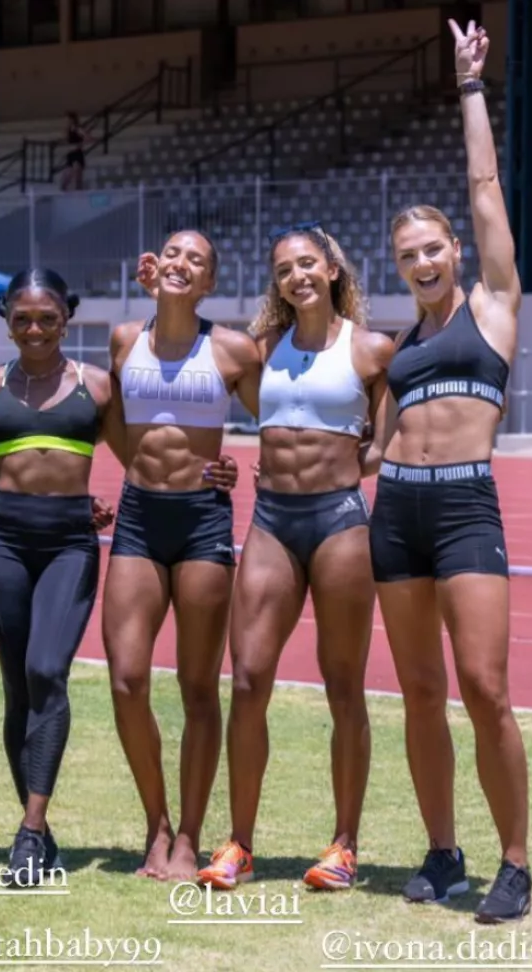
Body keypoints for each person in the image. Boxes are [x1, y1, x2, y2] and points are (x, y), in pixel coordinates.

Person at [364, 20, 531, 923]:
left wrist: (471, 87)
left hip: (467, 507)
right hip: (397, 512)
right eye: (409, 256)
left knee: (486, 688)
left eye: (433, 249)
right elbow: (376, 439)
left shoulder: (495, 308)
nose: (423, 262)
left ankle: (515, 862)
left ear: (457, 254)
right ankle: (443, 852)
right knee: (420, 692)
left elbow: (483, 187)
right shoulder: (400, 345)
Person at [197, 224, 393, 893]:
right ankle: (239, 844)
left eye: (307, 263)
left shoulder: (371, 351)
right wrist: (218, 467)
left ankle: (344, 844)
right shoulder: (261, 349)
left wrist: (341, 471)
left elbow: (380, 447)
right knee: (249, 680)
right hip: (271, 522)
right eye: (283, 269)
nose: (296, 277)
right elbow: (205, 389)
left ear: (333, 267)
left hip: (339, 522)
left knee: (344, 688)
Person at [107, 229, 260, 881]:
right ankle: (156, 823)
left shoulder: (231, 348)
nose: (182, 263)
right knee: (127, 679)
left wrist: (237, 469)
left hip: (202, 521)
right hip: (139, 517)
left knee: (198, 687)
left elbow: (284, 419)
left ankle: (189, 835)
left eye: (196, 260)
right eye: (173, 253)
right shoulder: (122, 339)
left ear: (208, 283)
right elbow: (111, 422)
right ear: (155, 267)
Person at [0, 268, 120, 883]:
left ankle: (29, 831)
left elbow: (143, 460)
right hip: (5, 542)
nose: (35, 329)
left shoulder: (98, 387)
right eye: (23, 319)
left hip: (68, 544)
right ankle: (40, 835)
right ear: (7, 317)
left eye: (49, 318)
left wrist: (211, 473)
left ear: (68, 317)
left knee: (45, 672)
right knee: (16, 691)